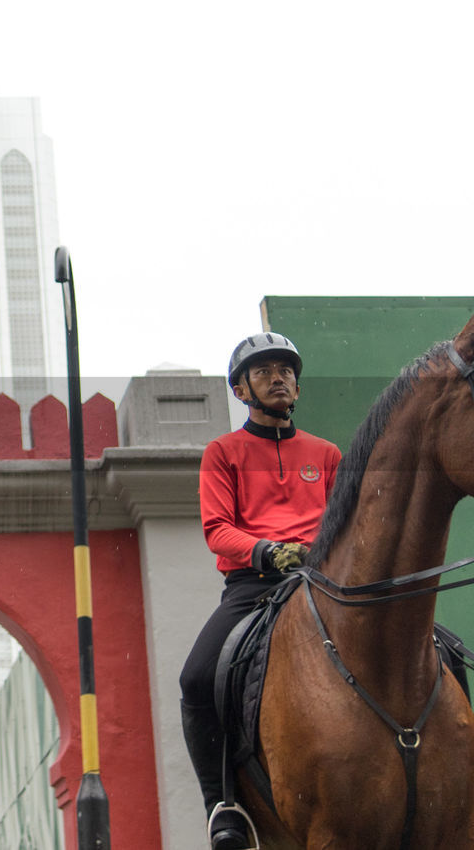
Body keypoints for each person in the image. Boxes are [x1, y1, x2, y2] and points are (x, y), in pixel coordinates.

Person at [179, 332, 341, 850]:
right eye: (265, 370)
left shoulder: (327, 454)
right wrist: (266, 551)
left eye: (286, 370)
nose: (279, 377)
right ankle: (224, 807)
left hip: (322, 582)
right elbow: (217, 528)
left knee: (437, 647)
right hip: (253, 586)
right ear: (241, 390)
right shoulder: (222, 452)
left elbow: (346, 522)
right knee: (196, 679)